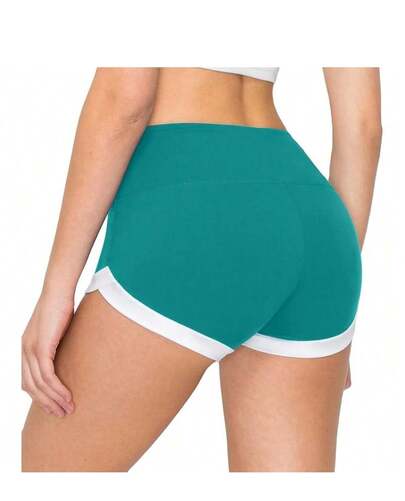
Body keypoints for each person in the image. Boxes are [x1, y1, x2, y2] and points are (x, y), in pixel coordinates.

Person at [21, 67, 382, 472]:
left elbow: (124, 98)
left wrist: (56, 290)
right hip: (316, 224)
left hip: (192, 206)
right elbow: (363, 127)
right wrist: (330, 301)